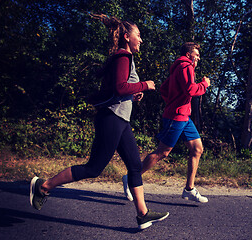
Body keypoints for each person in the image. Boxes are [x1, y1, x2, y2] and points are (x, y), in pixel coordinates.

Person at [29, 14, 169, 230]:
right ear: (126, 37)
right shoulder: (124, 56)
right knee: (94, 168)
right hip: (111, 118)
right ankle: (44, 186)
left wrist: (134, 95)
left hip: (121, 119)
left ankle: (142, 214)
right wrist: (143, 85)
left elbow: (121, 90)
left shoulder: (123, 57)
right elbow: (121, 87)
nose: (141, 40)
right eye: (138, 35)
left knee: (134, 165)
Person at [123, 42, 211, 203]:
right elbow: (191, 90)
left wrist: (174, 102)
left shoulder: (179, 67)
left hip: (184, 116)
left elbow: (164, 89)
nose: (198, 58)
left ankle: (189, 189)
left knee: (197, 149)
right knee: (162, 152)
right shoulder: (186, 66)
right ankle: (131, 178)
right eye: (196, 54)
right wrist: (204, 84)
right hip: (176, 116)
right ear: (189, 54)